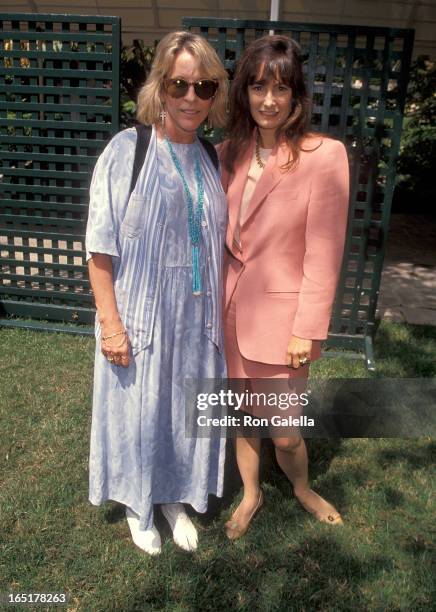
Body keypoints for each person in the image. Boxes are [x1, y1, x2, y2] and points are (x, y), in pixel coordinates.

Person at [85, 31, 228, 555]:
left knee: (183, 414)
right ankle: (137, 503)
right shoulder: (129, 150)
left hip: (197, 323)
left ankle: (174, 499)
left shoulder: (213, 158)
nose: (191, 97)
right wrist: (111, 323)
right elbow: (100, 248)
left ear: (215, 94)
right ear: (159, 87)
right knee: (140, 412)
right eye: (179, 84)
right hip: (141, 317)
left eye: (204, 86)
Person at [218, 35, 350, 539]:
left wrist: (307, 329)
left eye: (280, 88)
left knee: (286, 431)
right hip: (229, 319)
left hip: (282, 327)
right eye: (257, 87)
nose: (268, 100)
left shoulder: (324, 156)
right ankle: (251, 494)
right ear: (244, 93)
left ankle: (301, 488)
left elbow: (323, 252)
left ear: (297, 95)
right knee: (243, 418)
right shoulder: (228, 152)